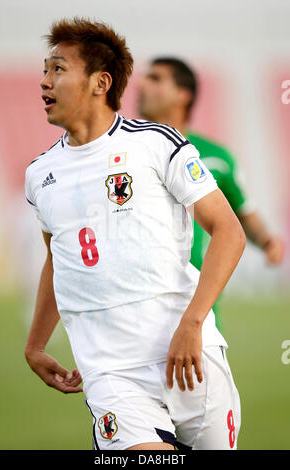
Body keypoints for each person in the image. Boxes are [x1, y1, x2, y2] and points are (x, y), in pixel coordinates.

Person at [24, 16, 246, 451]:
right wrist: (35, 345)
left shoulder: (156, 144)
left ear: (99, 82)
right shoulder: (40, 174)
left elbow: (228, 232)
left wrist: (193, 323)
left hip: (191, 356)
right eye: (43, 71)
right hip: (111, 374)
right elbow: (58, 260)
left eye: (58, 69)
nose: (44, 82)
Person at [137, 57, 285, 332]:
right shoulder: (121, 153)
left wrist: (266, 240)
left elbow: (241, 212)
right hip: (134, 300)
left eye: (156, 78)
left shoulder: (216, 158)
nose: (142, 84)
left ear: (183, 94)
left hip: (195, 302)